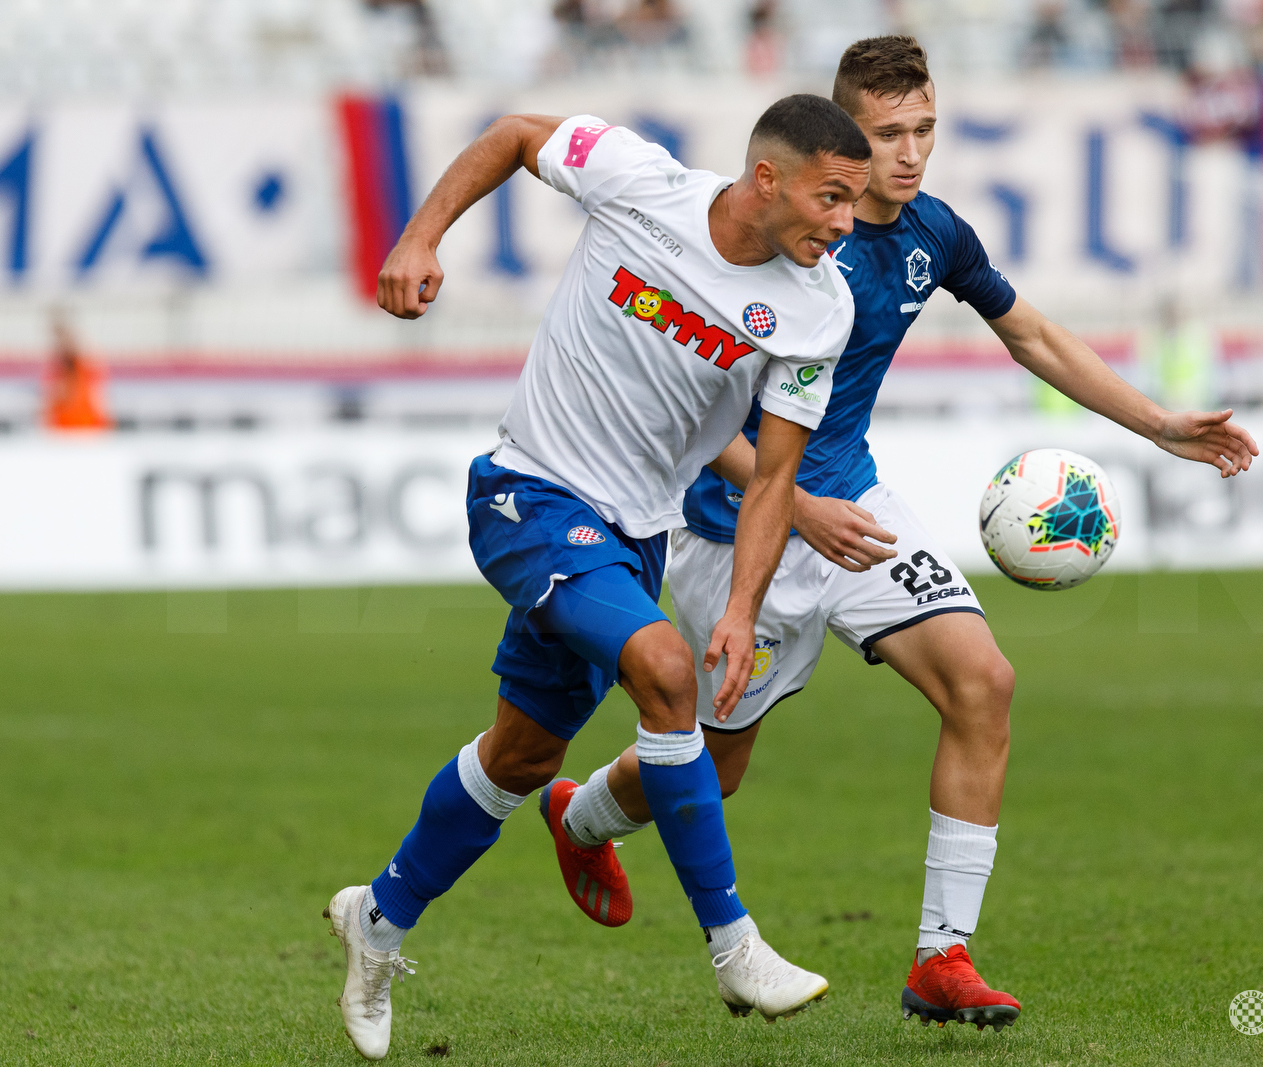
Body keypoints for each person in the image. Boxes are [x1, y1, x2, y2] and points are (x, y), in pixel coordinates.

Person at [546, 35, 1258, 1034]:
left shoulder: (933, 232)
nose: (911, 152)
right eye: (887, 134)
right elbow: (691, 419)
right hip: (735, 528)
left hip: (858, 509)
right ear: (840, 134)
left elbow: (1032, 334)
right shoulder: (772, 241)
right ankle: (579, 814)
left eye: (925, 128)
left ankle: (942, 957)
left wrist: (1160, 421)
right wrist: (795, 505)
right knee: (717, 764)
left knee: (984, 680)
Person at [322, 95, 870, 1060]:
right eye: (832, 197)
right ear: (769, 177)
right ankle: (735, 945)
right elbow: (516, 134)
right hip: (527, 493)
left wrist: (741, 609)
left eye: (853, 203)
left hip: (634, 535)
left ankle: (379, 917)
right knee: (663, 671)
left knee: (521, 759)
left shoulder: (821, 307)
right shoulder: (640, 182)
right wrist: (420, 236)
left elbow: (774, 472)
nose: (843, 222)